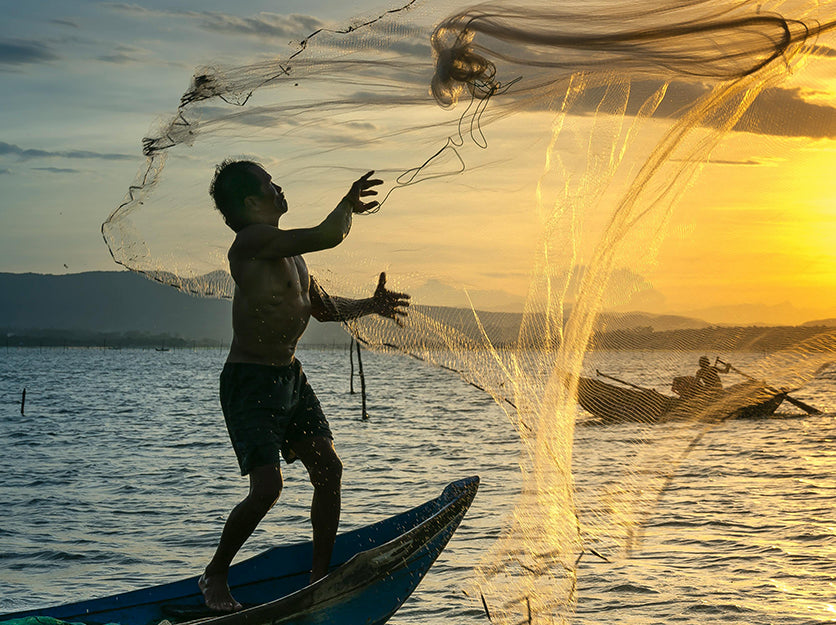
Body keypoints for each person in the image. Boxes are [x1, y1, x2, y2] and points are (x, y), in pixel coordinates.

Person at [199, 159, 410, 612]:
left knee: (328, 471)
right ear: (251, 202)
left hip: (289, 377)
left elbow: (325, 310)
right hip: (250, 381)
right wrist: (348, 205)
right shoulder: (252, 242)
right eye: (269, 184)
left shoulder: (291, 254)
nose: (280, 187)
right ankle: (215, 574)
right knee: (267, 488)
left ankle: (319, 577)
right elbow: (329, 234)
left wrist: (370, 304)